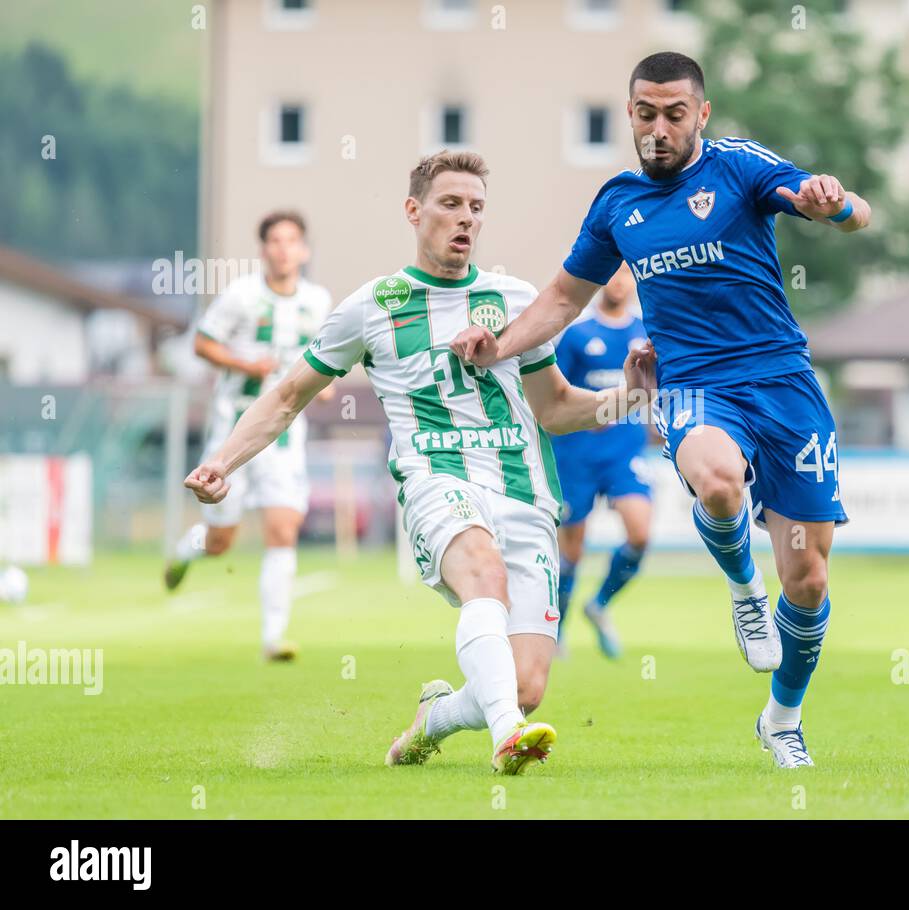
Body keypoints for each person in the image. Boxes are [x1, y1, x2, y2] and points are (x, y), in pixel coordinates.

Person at [451, 52, 872, 767]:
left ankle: (782, 718)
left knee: (809, 580)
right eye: (645, 114)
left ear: (701, 115)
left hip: (783, 381)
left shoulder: (738, 167)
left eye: (675, 114)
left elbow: (849, 213)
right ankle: (743, 588)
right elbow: (560, 298)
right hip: (693, 384)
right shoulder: (618, 204)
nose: (659, 128)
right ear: (630, 115)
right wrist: (499, 347)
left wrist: (834, 204)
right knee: (717, 481)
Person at [184, 150, 655, 774]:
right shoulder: (372, 304)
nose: (466, 219)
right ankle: (507, 737)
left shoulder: (516, 300)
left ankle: (440, 718)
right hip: (437, 480)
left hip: (526, 491)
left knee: (524, 685)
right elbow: (287, 396)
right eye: (451, 204)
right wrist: (223, 462)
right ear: (414, 211)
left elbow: (556, 408)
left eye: (477, 208)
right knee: (482, 576)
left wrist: (630, 397)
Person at [165, 211, 333, 662]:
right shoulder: (241, 294)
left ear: (304, 250)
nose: (283, 249)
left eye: (291, 241)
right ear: (263, 251)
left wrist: (324, 384)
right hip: (234, 430)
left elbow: (326, 359)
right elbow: (202, 343)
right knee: (221, 543)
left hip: (285, 439)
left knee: (283, 529)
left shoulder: (318, 301)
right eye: (274, 241)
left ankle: (273, 638)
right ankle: (187, 551)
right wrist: (245, 365)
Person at [551, 262, 654, 659]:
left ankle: (600, 604)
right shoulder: (578, 335)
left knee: (640, 533)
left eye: (626, 273)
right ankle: (557, 630)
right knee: (572, 550)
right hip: (576, 454)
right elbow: (556, 394)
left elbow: (655, 388)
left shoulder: (645, 334)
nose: (617, 280)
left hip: (624, 451)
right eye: (610, 272)